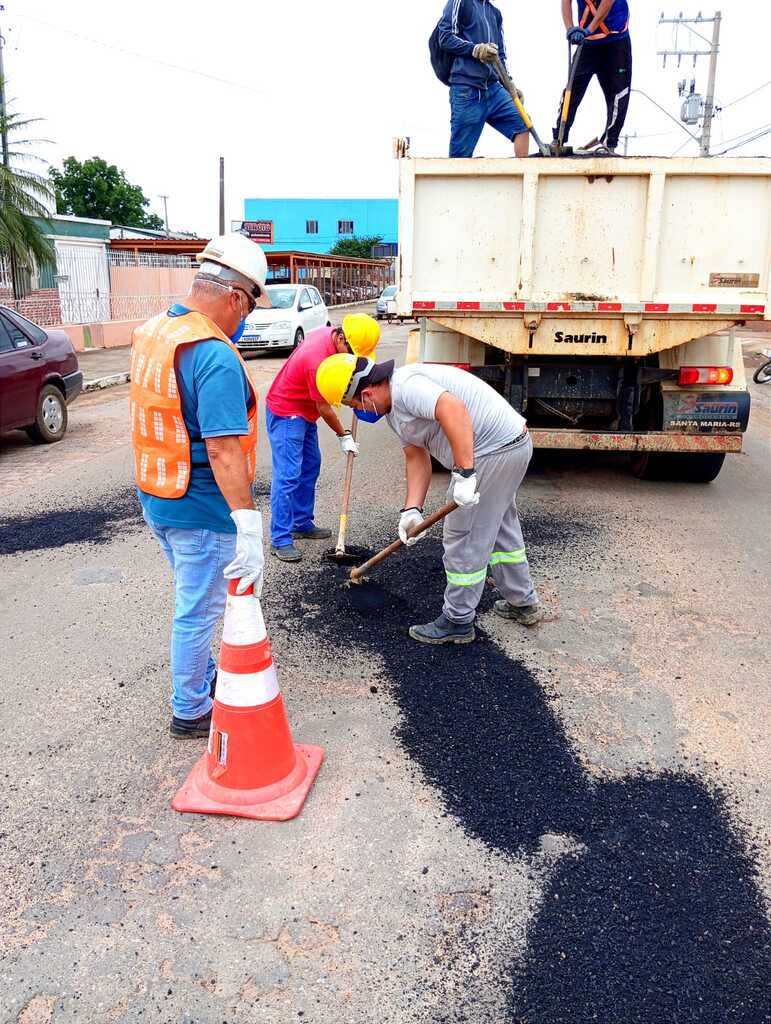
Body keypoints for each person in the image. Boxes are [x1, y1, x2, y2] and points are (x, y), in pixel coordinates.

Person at [131, 233, 270, 738]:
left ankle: (200, 681)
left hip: (159, 497)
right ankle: (190, 708)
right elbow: (223, 449)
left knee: (194, 598)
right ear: (235, 296)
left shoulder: (157, 330)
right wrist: (248, 525)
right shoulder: (211, 353)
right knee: (198, 610)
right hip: (201, 510)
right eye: (250, 307)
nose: (247, 320)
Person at [316, 354, 543, 643]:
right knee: (499, 527)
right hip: (507, 447)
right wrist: (411, 510)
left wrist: (465, 473)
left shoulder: (407, 386)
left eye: (355, 404)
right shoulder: (393, 411)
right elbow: (416, 457)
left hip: (495, 451)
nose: (359, 411)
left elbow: (453, 409)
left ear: (367, 392)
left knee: (464, 535)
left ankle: (458, 620)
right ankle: (522, 602)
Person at [265, 314, 380, 563]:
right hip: (287, 413)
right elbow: (324, 406)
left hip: (304, 412)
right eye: (352, 351)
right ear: (340, 337)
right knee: (288, 475)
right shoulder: (316, 360)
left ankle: (301, 522)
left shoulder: (329, 336)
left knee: (310, 467)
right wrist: (343, 435)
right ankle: (280, 538)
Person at [438, 0, 530, 159]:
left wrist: (510, 86)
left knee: (523, 123)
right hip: (467, 90)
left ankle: (524, 181)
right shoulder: (460, 2)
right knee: (460, 157)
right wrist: (475, 49)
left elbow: (500, 55)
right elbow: (445, 37)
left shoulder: (495, 13)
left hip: (493, 89)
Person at [555, 0, 631, 155]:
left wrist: (589, 29)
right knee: (572, 89)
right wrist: (570, 29)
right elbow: (566, 2)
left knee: (619, 94)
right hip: (588, 44)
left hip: (615, 41)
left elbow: (607, 3)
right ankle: (559, 139)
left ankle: (610, 144)